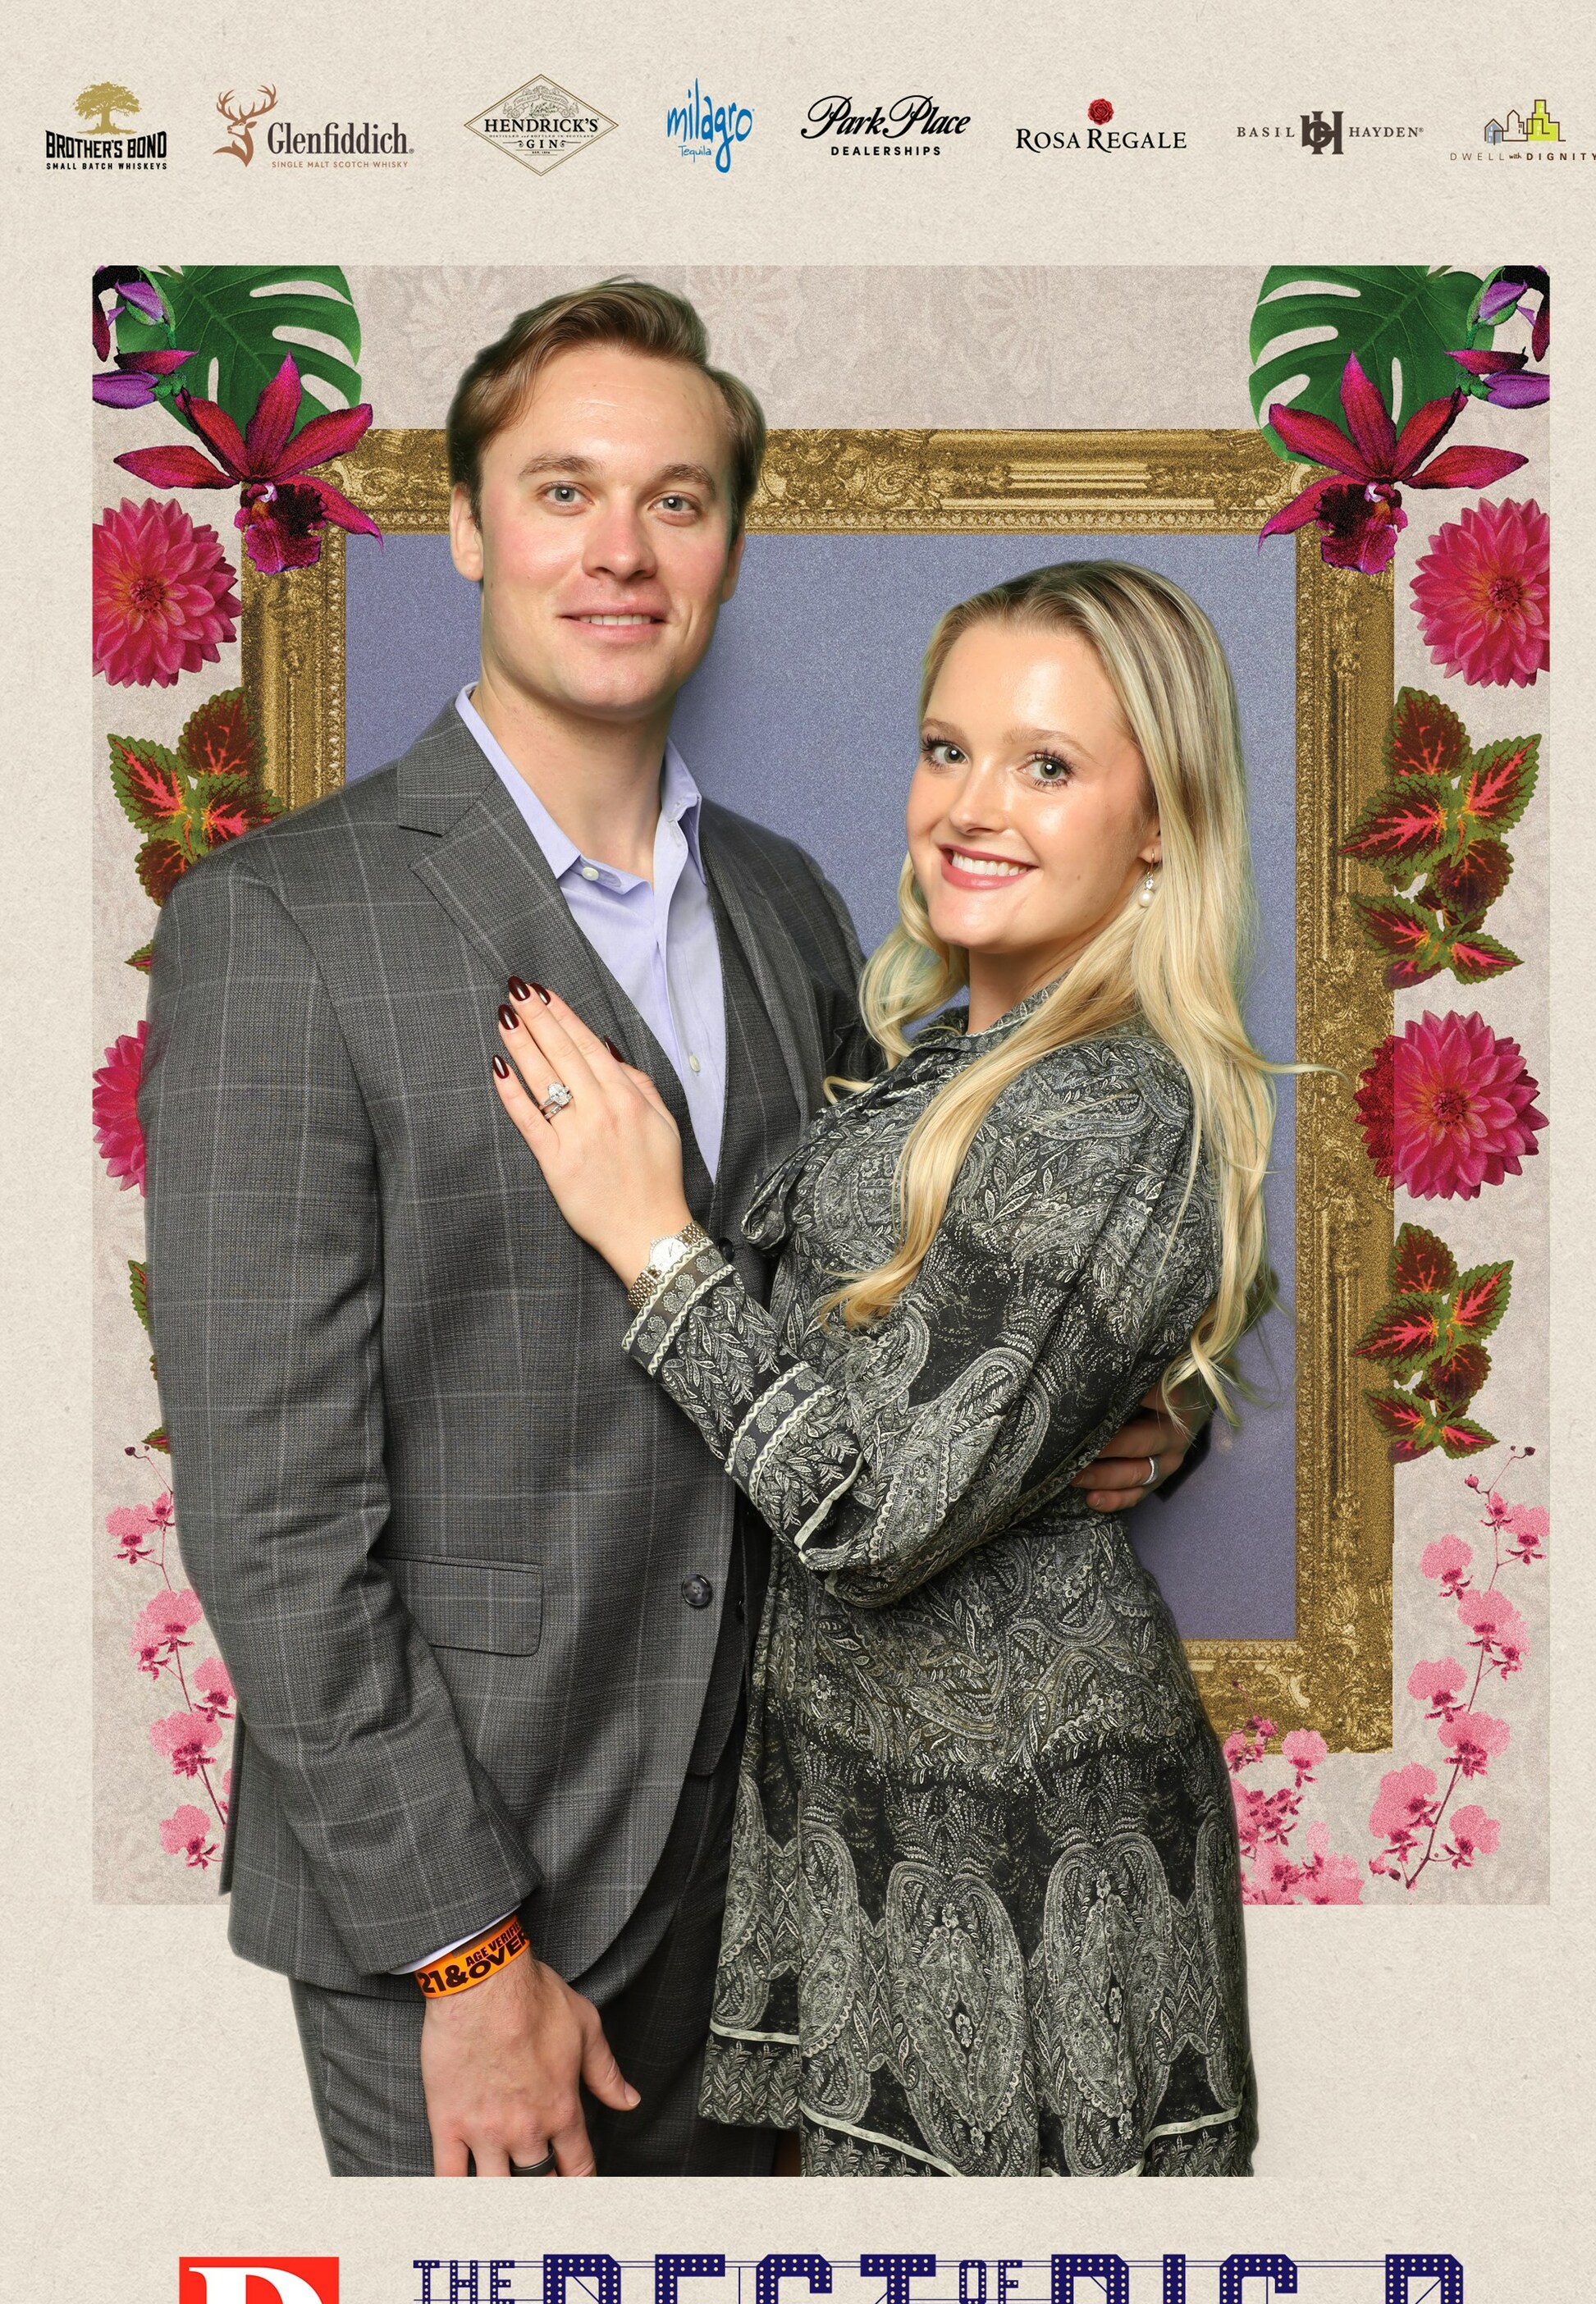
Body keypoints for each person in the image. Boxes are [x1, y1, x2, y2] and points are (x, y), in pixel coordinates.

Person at [139, 280, 1205, 2182]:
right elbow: (271, 1520)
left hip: (776, 1878)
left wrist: (1123, 1406)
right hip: (472, 1905)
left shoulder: (792, 905)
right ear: (467, 527)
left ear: (726, 545)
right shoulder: (283, 925)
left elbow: (914, 1278)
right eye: (562, 491)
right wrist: (465, 1957)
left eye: (677, 501)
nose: (619, 549)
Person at [492, 557, 1269, 2175]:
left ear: (1159, 824)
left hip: (1025, 1855)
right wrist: (1135, 1400)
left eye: (1045, 766)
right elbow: (1014, 1319)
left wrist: (650, 1240)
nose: (971, 808)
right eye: (946, 749)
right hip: (866, 1816)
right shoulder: (944, 1056)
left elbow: (868, 1521)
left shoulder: (1109, 1102)